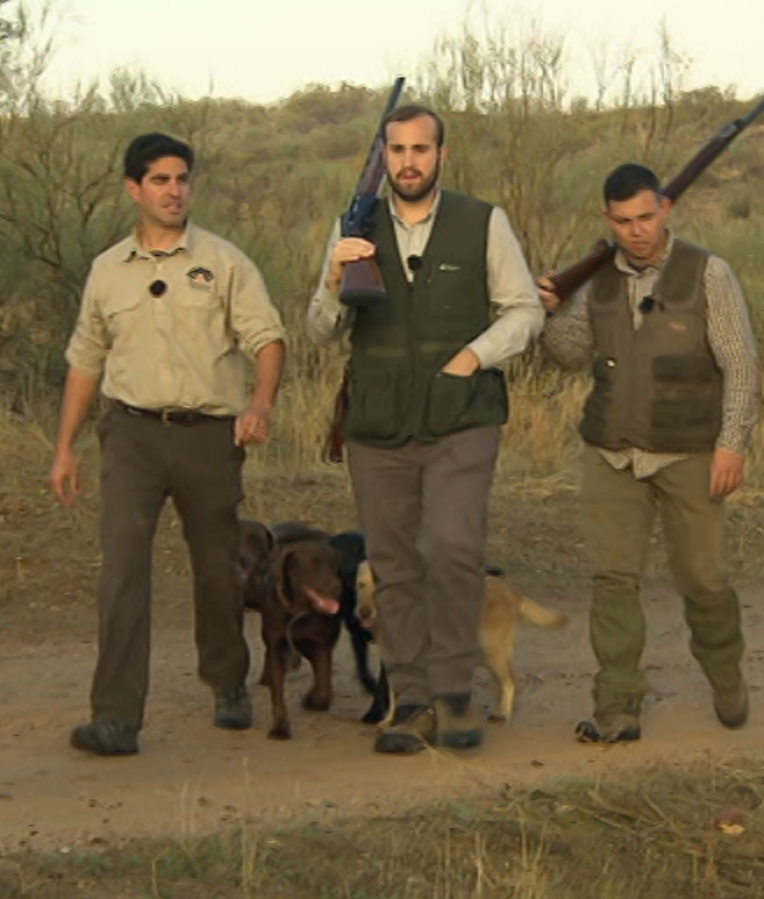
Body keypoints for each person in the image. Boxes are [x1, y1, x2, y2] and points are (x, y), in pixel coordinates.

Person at [308, 105, 544, 754]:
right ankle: (411, 701)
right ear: (382, 156)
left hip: (462, 417)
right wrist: (334, 276)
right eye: (397, 150)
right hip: (377, 426)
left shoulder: (483, 222)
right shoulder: (354, 225)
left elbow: (524, 311)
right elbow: (320, 330)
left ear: (442, 154)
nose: (408, 161)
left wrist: (474, 356)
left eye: (421, 148)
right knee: (392, 563)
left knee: (453, 547)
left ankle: (454, 693)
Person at [51, 132, 287, 756]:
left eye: (181, 178)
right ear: (134, 189)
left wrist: (259, 405)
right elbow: (85, 361)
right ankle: (116, 717)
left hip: (208, 434)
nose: (174, 190)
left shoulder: (225, 261)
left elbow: (267, 339)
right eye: (159, 180)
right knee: (123, 571)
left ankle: (229, 681)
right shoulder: (108, 270)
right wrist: (65, 447)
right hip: (130, 434)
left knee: (217, 567)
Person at [537, 163, 761, 744]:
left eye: (645, 217)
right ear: (606, 221)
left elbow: (740, 364)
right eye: (622, 221)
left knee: (704, 580)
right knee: (613, 580)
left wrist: (731, 444)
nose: (636, 231)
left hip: (690, 452)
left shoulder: (709, 272)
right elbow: (567, 354)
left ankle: (724, 673)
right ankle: (617, 705)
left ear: (665, 208)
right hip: (611, 453)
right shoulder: (599, 282)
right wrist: (544, 308)